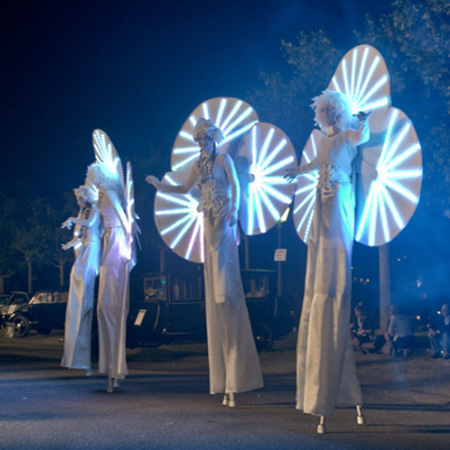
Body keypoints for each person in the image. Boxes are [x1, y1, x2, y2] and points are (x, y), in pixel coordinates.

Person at [146, 118, 263, 406]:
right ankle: (216, 289)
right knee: (212, 260)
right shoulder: (199, 166)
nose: (203, 145)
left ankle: (224, 289)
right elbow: (186, 190)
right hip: (207, 219)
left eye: (206, 140)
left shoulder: (224, 159)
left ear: (214, 139)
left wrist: (235, 209)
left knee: (224, 271)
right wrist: (161, 186)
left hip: (224, 215)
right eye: (199, 141)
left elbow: (235, 184)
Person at [286, 89, 370, 434]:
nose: (328, 118)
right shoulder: (322, 140)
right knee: (320, 238)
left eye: (332, 113)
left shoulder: (348, 137)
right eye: (324, 113)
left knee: (334, 236)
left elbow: (362, 136)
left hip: (339, 194)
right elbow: (315, 163)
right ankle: (323, 271)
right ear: (320, 115)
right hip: (320, 196)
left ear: (339, 113)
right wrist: (298, 171)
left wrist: (363, 119)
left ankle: (332, 270)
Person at [87, 162, 132, 393]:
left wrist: (129, 244)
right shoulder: (103, 197)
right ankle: (109, 367)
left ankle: (115, 369)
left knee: (112, 303)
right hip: (109, 243)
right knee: (104, 308)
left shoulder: (112, 194)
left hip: (117, 243)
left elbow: (125, 221)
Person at [61, 185, 102, 375]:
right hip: (82, 252)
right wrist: (69, 244)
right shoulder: (81, 213)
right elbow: (79, 235)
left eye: (80, 198)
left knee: (85, 295)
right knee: (76, 293)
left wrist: (72, 219)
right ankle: (73, 357)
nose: (78, 202)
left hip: (91, 251)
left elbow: (90, 225)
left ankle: (84, 361)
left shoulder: (93, 211)